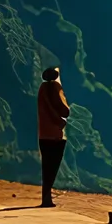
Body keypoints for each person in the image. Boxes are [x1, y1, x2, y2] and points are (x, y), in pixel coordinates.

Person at [37, 66, 71, 207]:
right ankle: (47, 197)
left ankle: (46, 196)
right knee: (53, 165)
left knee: (46, 165)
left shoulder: (42, 88)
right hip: (55, 134)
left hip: (43, 133)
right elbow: (65, 110)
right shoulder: (56, 87)